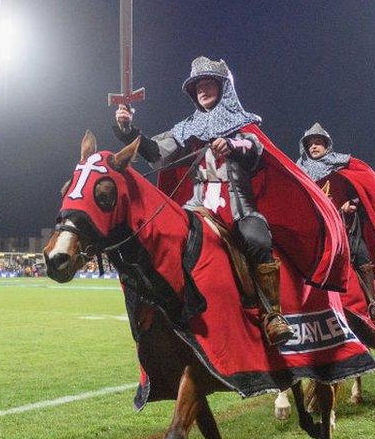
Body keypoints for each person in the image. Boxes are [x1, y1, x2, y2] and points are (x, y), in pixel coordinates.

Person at [113, 56, 348, 346]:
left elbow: (254, 149)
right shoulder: (186, 128)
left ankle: (272, 314)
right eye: (198, 86)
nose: (203, 89)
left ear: (223, 88)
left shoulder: (243, 124)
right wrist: (127, 130)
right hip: (196, 207)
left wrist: (233, 145)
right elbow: (155, 152)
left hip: (238, 208)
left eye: (209, 83)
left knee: (257, 238)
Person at [296, 123, 375, 323]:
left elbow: (363, 191)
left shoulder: (342, 165)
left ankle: (374, 302)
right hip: (317, 228)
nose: (313, 147)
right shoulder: (299, 171)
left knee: (360, 253)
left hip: (344, 226)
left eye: (318, 143)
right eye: (310, 144)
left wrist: (359, 198)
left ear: (326, 145)